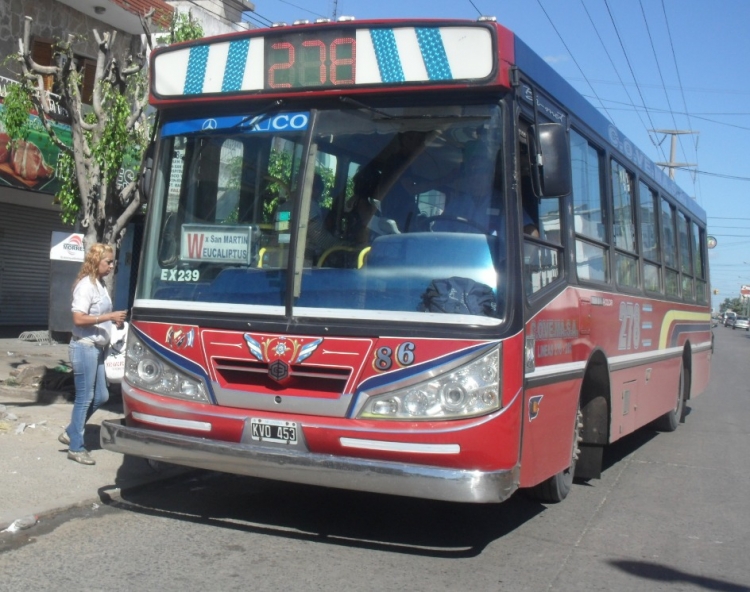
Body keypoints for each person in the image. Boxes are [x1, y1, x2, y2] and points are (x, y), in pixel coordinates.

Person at [58, 243, 127, 465]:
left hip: (97, 347)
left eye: (112, 261)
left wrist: (114, 322)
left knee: (102, 396)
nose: (111, 265)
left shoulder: (100, 284)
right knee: (85, 397)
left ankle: (71, 431)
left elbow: (102, 315)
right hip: (84, 346)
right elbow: (78, 318)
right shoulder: (85, 286)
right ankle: (76, 447)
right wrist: (108, 318)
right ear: (96, 261)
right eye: (108, 261)